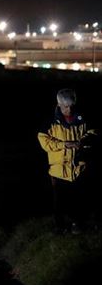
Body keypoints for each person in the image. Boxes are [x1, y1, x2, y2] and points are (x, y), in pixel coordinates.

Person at [38, 89, 97, 234]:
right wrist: (64, 145)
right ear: (58, 104)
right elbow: (44, 141)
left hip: (78, 167)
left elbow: (93, 132)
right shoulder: (49, 120)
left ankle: (78, 225)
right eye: (65, 106)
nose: (69, 109)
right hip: (58, 169)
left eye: (71, 106)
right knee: (59, 203)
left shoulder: (83, 117)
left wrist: (82, 142)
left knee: (79, 200)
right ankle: (60, 228)